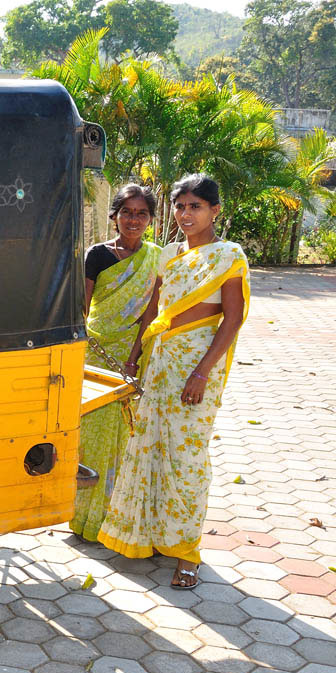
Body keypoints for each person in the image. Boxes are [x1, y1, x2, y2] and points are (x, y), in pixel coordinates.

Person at [98, 174, 249, 589]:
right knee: (148, 446)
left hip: (199, 365)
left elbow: (233, 319)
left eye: (195, 206)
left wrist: (201, 371)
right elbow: (155, 309)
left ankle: (187, 553)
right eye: (180, 207)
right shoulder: (169, 254)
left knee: (186, 458)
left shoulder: (229, 255)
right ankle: (144, 536)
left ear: (215, 210)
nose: (185, 214)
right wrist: (135, 354)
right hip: (160, 361)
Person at [70, 185, 161, 541]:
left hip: (127, 355)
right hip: (94, 352)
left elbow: (148, 316)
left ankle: (111, 518)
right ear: (115, 216)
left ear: (151, 219)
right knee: (89, 433)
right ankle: (79, 516)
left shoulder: (154, 259)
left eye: (141, 214)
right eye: (127, 212)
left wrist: (134, 357)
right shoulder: (97, 255)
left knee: (123, 437)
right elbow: (81, 307)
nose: (133, 220)